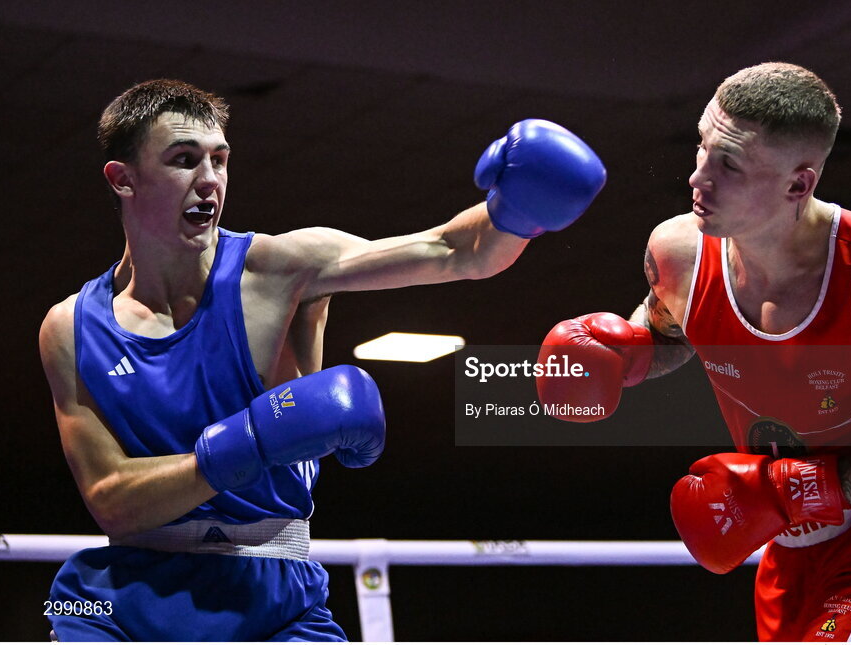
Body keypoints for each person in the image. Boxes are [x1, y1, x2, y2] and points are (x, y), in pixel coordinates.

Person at [38, 79, 606, 641]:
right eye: (184, 160)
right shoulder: (71, 328)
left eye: (219, 159)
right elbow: (111, 502)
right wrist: (251, 441)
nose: (209, 181)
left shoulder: (282, 271)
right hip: (127, 605)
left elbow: (458, 252)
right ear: (124, 180)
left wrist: (515, 212)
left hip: (274, 599)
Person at [538, 62, 851, 641]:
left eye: (729, 165)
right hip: (786, 547)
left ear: (799, 184)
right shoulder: (678, 251)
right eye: (702, 147)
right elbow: (671, 331)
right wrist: (627, 353)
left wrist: (791, 487)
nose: (698, 178)